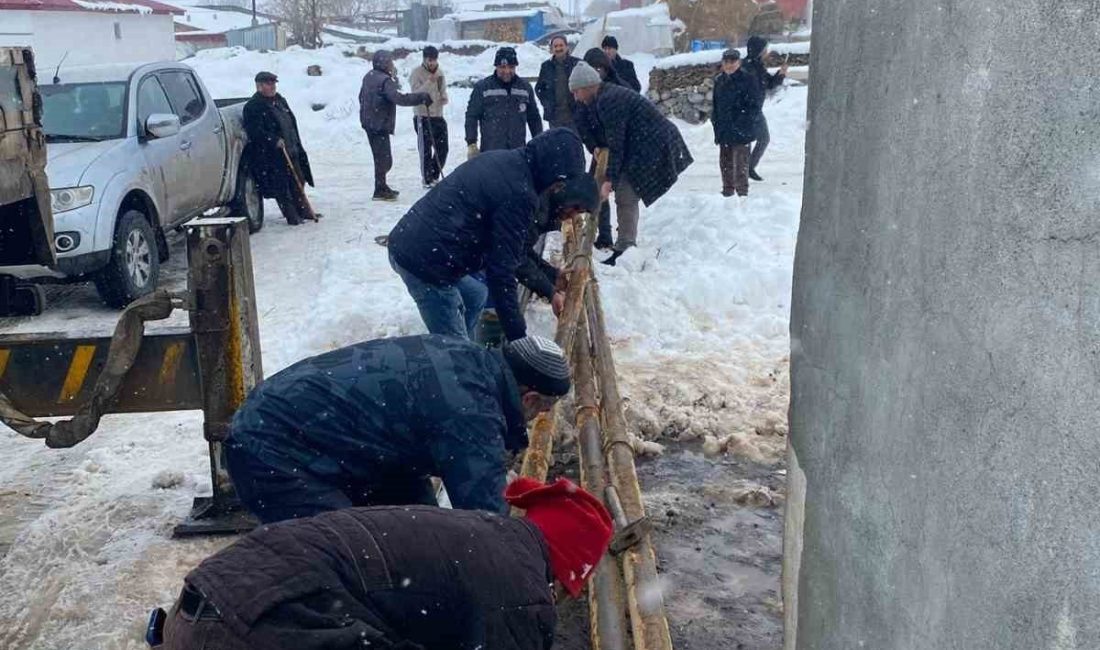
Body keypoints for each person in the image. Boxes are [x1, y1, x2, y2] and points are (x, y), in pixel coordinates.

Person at [154, 478, 613, 650]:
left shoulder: (477, 531)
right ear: (569, 564)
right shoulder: (523, 597)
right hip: (255, 629)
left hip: (199, 605)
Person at [223, 334, 572, 524]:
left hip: (304, 427)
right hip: (272, 448)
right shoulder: (471, 411)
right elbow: (484, 518)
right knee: (350, 555)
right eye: (543, 409)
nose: (536, 417)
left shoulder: (468, 360)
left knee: (417, 529)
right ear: (530, 398)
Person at [388, 128, 592, 342]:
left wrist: (550, 278)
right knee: (454, 346)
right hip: (424, 262)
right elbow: (502, 271)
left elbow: (516, 251)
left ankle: (468, 350)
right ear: (554, 170)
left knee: (475, 295)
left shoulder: (509, 162)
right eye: (560, 182)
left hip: (418, 240)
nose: (558, 188)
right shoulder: (520, 193)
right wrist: (518, 339)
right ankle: (457, 357)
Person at [570, 62, 693, 266]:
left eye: (576, 92)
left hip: (654, 144)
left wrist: (609, 180)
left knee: (626, 193)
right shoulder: (603, 96)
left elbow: (616, 144)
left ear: (586, 87)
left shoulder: (609, 101)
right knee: (625, 190)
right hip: (641, 144)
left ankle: (625, 247)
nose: (575, 97)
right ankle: (624, 243)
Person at [517, 175, 599, 315]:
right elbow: (516, 258)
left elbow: (521, 251)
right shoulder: (537, 210)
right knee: (480, 295)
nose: (573, 215)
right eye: (575, 207)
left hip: (482, 250)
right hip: (476, 250)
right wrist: (550, 292)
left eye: (579, 212)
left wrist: (553, 275)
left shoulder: (547, 206)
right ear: (567, 196)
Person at [242, 71, 315, 225]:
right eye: (269, 84)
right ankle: (292, 216)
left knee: (299, 179)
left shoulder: (280, 101)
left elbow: (290, 122)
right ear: (259, 86)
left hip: (291, 148)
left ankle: (303, 210)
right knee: (282, 186)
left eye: (274, 83)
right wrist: (273, 140)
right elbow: (254, 131)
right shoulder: (253, 107)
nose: (273, 86)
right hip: (273, 155)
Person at [359, 50, 432, 201]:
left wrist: (369, 111)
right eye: (390, 62)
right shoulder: (385, 80)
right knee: (384, 159)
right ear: (384, 63)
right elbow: (398, 98)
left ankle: (381, 186)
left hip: (369, 122)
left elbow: (361, 96)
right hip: (379, 124)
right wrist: (421, 97)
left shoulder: (369, 77)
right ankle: (379, 189)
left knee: (379, 157)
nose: (392, 65)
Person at [578, 48, 629, 250]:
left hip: (621, 146)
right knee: (598, 189)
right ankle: (604, 233)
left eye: (600, 68)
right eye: (593, 68)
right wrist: (593, 146)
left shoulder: (618, 88)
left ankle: (626, 237)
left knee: (623, 191)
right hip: (600, 147)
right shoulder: (583, 90)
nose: (597, 72)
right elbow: (581, 122)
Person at [465, 47, 543, 157]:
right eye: (502, 67)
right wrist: (471, 143)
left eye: (511, 67)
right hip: (491, 152)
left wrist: (539, 141)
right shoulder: (483, 88)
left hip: (517, 152)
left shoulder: (525, 88)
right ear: (496, 67)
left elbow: (534, 118)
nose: (507, 71)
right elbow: (471, 116)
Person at [711, 49, 763, 197]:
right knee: (725, 164)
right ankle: (727, 192)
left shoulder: (748, 79)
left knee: (741, 165)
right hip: (724, 130)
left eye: (732, 62)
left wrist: (743, 122)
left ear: (739, 62)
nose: (729, 65)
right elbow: (716, 106)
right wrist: (716, 123)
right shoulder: (719, 80)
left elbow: (755, 105)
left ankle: (742, 194)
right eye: (726, 62)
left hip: (742, 130)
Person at [741, 36, 788, 182]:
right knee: (747, 141)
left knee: (763, 139)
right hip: (745, 111)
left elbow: (769, 84)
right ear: (758, 50)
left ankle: (748, 168)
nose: (767, 52)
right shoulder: (744, 67)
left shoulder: (759, 67)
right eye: (764, 49)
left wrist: (781, 74)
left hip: (756, 111)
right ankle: (743, 170)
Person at [409, 45, 449, 188]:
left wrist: (444, 97)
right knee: (425, 149)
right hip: (422, 116)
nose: (432, 63)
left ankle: (434, 174)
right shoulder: (416, 73)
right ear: (424, 59)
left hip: (438, 115)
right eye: (429, 60)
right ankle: (426, 178)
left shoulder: (440, 73)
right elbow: (414, 94)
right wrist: (428, 82)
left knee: (443, 148)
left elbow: (442, 89)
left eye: (434, 60)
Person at [535, 35, 580, 130]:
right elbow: (539, 88)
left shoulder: (576, 64)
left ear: (567, 47)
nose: (558, 48)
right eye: (555, 46)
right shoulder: (546, 66)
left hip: (574, 116)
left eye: (561, 45)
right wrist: (547, 104)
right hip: (555, 118)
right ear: (551, 49)